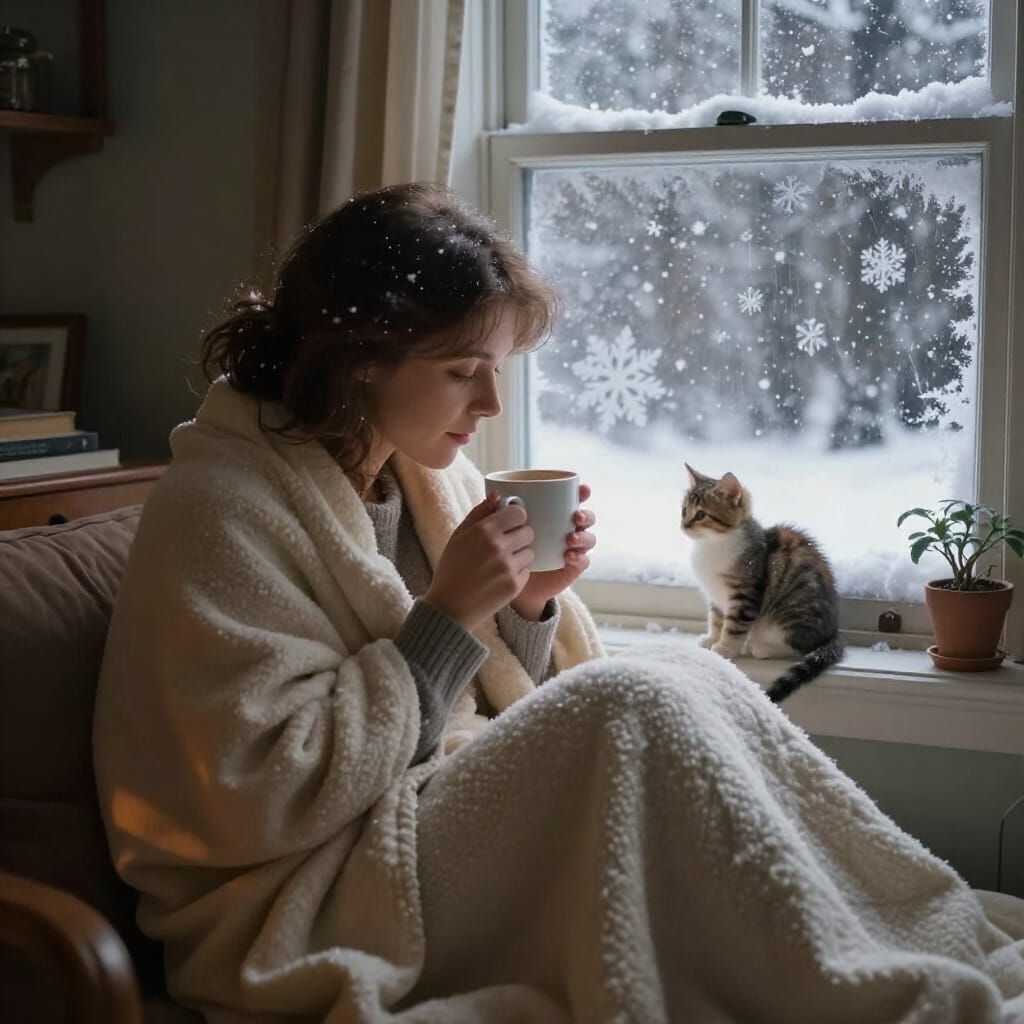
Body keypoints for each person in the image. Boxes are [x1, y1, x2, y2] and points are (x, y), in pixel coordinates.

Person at [94, 182, 1024, 1024]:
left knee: (682, 674)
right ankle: (835, 975)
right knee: (633, 703)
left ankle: (876, 922)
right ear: (364, 357)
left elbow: (489, 698)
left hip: (419, 811)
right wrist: (452, 613)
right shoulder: (223, 508)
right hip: (307, 892)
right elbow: (256, 790)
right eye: (464, 371)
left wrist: (527, 610)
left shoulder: (428, 477)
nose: (492, 401)